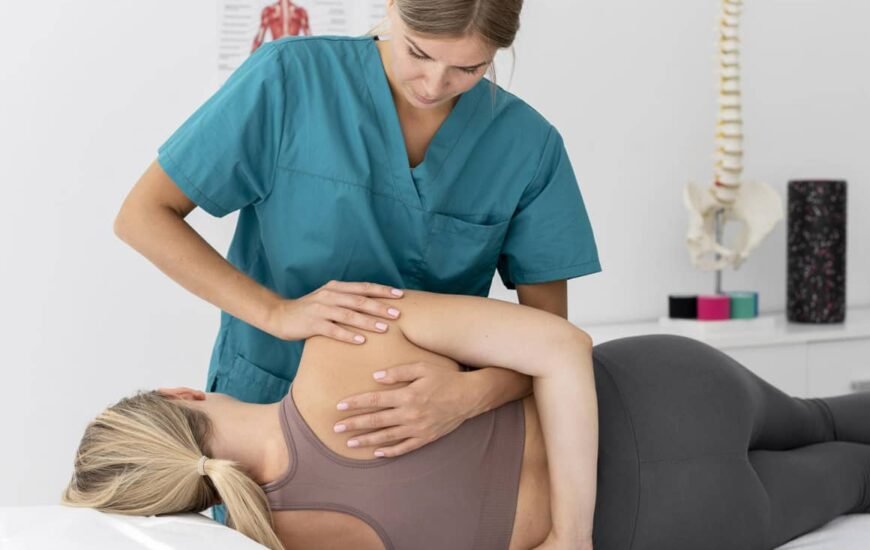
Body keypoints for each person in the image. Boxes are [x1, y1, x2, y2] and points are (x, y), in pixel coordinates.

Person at [112, 0, 601, 523]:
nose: (434, 84)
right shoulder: (290, 80)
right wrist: (276, 312)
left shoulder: (528, 145)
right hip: (259, 421)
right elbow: (143, 215)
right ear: (391, 7)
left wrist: (470, 394)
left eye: (469, 68)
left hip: (425, 441)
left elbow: (552, 337)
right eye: (418, 52)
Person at [63, 289, 598, 550]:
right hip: (654, 400)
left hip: (648, 529)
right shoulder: (341, 337)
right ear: (179, 394)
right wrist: (572, 535)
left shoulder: (287, 541)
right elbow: (566, 347)